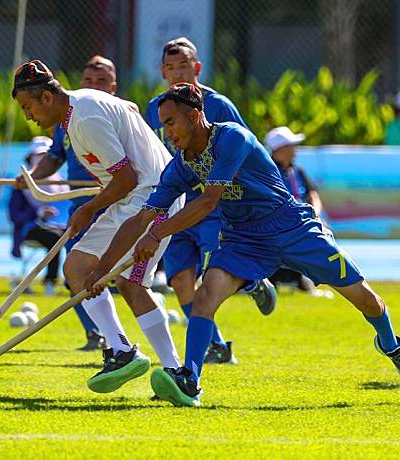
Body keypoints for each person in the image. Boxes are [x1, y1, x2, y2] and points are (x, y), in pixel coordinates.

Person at [84, 84, 400, 407]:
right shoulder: (182, 163)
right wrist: (101, 270)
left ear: (194, 116)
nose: (167, 133)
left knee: (365, 299)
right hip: (244, 238)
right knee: (205, 295)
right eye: (163, 126)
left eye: (171, 123)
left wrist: (157, 234)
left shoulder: (232, 138)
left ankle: (392, 345)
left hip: (292, 227)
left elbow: (207, 203)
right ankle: (190, 379)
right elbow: (141, 218)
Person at [13, 60, 183, 394]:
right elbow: (123, 145)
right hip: (138, 197)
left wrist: (88, 210)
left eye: (27, 106)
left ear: (47, 98)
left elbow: (125, 179)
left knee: (122, 281)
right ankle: (130, 353)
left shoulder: (85, 117)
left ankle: (165, 368)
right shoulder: (80, 111)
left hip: (149, 198)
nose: (28, 116)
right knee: (80, 268)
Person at [144, 37, 276, 364]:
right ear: (162, 72)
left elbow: (244, 150)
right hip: (176, 207)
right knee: (179, 280)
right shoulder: (155, 108)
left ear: (197, 67)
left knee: (212, 272)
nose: (178, 73)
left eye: (184, 66)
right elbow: (156, 154)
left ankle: (251, 282)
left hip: (213, 206)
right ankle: (216, 344)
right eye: (171, 68)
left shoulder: (219, 105)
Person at [18, 55, 132, 351]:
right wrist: (33, 177)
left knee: (127, 279)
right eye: (88, 81)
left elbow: (128, 173)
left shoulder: (116, 114)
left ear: (114, 87)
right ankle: (100, 336)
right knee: (76, 270)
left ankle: (124, 346)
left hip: (120, 201)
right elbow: (55, 157)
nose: (93, 86)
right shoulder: (63, 120)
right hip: (82, 206)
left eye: (101, 81)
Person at [265, 126, 324, 293]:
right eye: (292, 145)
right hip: (279, 224)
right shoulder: (268, 171)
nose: (295, 149)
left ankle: (305, 282)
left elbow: (313, 195)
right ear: (280, 149)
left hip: (301, 221)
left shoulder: (297, 171)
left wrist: (314, 214)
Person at [9, 136, 69, 295]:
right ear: (31, 157)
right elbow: (15, 216)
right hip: (30, 229)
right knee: (55, 239)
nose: (42, 159)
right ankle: (50, 281)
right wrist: (38, 213)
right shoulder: (21, 184)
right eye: (39, 156)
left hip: (61, 226)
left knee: (74, 235)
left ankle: (73, 279)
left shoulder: (60, 183)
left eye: (46, 156)